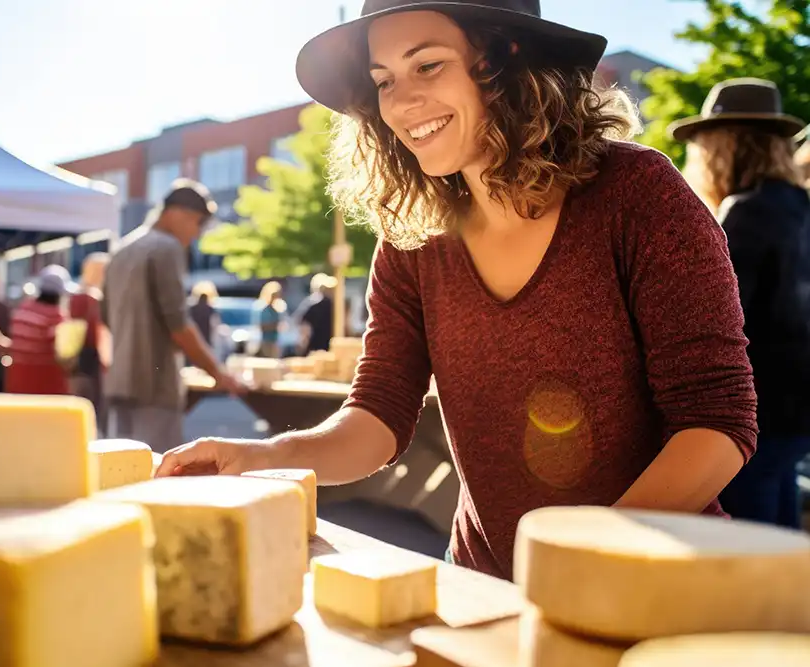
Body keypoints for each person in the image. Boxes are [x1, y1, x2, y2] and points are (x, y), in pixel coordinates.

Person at [155, 0, 758, 581]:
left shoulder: (637, 192)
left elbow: (717, 419)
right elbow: (377, 418)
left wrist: (587, 559)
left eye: (428, 65)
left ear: (504, 61)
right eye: (384, 80)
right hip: (484, 584)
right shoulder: (412, 239)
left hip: (652, 586)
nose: (402, 102)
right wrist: (259, 456)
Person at [675, 78, 810, 529]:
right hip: (798, 409)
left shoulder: (744, 211)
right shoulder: (801, 205)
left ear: (723, 146)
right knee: (784, 544)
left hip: (754, 413)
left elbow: (715, 321)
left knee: (743, 549)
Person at [104, 179, 246, 453]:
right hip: (155, 386)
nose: (196, 235)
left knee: (119, 471)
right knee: (156, 474)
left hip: (120, 380)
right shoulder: (166, 247)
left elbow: (106, 316)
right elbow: (178, 324)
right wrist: (218, 373)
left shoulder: (121, 250)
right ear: (176, 213)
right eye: (197, 223)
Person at [5, 265, 74, 395]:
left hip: (16, 383)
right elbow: (64, 357)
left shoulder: (22, 310)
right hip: (43, 388)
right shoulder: (56, 317)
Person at [69, 252, 112, 426]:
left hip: (75, 362)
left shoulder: (73, 297)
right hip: (91, 362)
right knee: (92, 415)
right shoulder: (94, 299)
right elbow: (101, 335)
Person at [293, 273, 337, 354]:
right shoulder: (335, 305)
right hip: (328, 345)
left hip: (316, 346)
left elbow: (304, 327)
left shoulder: (311, 304)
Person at [254, 280, 287, 358]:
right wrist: (274, 326)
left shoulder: (276, 309)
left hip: (275, 340)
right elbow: (261, 326)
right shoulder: (264, 310)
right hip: (266, 341)